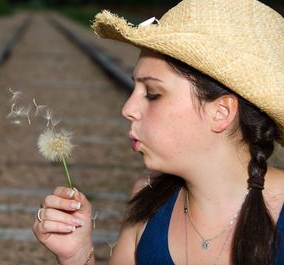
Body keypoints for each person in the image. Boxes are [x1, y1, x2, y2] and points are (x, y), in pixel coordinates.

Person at [32, 0, 284, 264]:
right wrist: (77, 255)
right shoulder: (149, 195)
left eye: (152, 94)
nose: (128, 108)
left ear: (220, 113)